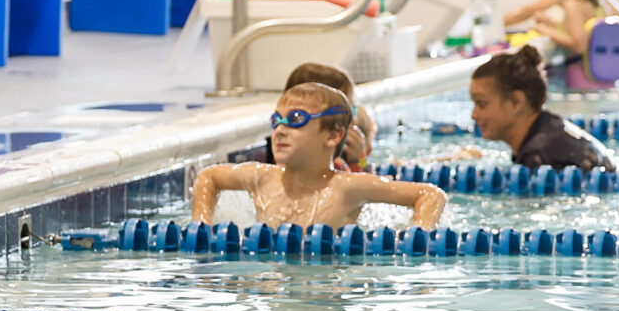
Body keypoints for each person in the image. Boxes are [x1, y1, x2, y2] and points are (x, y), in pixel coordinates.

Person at [191, 82, 448, 227]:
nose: (280, 130)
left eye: (296, 120)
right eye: (277, 120)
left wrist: (419, 235)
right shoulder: (261, 178)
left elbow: (430, 194)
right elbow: (209, 177)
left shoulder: (347, 187)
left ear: (333, 136)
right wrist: (201, 224)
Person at [470, 47, 615, 171]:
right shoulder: (551, 130)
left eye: (481, 104)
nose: (474, 115)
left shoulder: (541, 156)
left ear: (516, 101)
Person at [230, 61, 375, 171]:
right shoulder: (277, 172)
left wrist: (358, 158)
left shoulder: (338, 163)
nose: (353, 119)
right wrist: (358, 161)